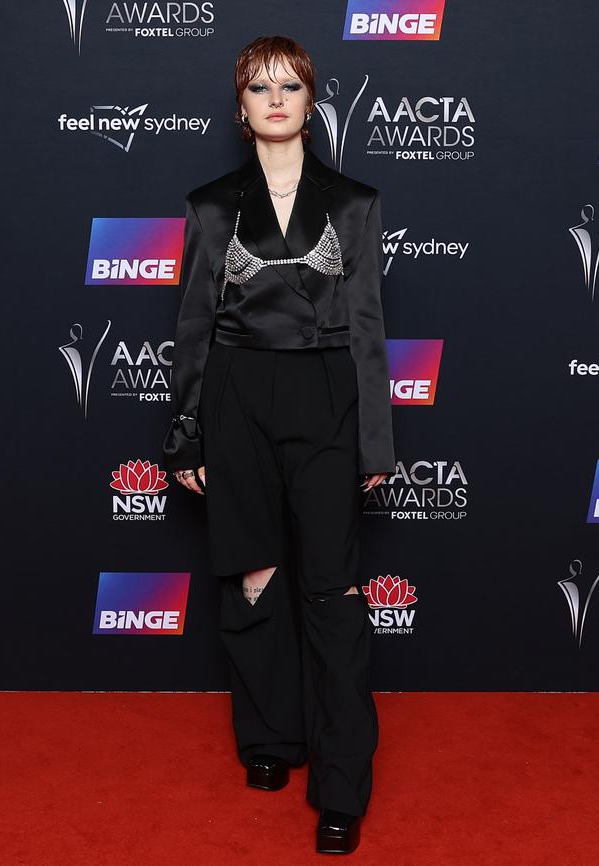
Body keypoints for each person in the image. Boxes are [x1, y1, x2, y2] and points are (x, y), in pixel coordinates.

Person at [163, 34, 395, 855]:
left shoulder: (356, 203)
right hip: (234, 395)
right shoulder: (210, 205)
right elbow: (193, 328)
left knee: (331, 595)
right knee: (254, 577)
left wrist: (374, 444)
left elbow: (368, 327)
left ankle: (341, 785)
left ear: (309, 100)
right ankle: (269, 742)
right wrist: (186, 429)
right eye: (258, 87)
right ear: (240, 107)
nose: (274, 99)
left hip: (327, 394)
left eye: (288, 85)